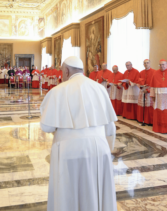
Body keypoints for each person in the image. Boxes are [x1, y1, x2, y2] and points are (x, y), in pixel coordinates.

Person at [40, 56, 117, 211]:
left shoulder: (58, 91)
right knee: (95, 192)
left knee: (69, 195)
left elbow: (46, 127)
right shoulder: (99, 88)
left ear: (66, 71)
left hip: (69, 150)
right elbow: (110, 127)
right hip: (99, 148)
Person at [137, 59, 156, 125]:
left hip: (149, 91)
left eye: (147, 63)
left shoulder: (154, 72)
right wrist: (141, 88)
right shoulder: (141, 72)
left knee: (149, 106)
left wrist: (148, 90)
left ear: (150, 63)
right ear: (143, 64)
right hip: (142, 91)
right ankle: (142, 119)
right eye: (145, 63)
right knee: (143, 106)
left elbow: (154, 83)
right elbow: (138, 82)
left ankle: (149, 121)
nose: (146, 64)